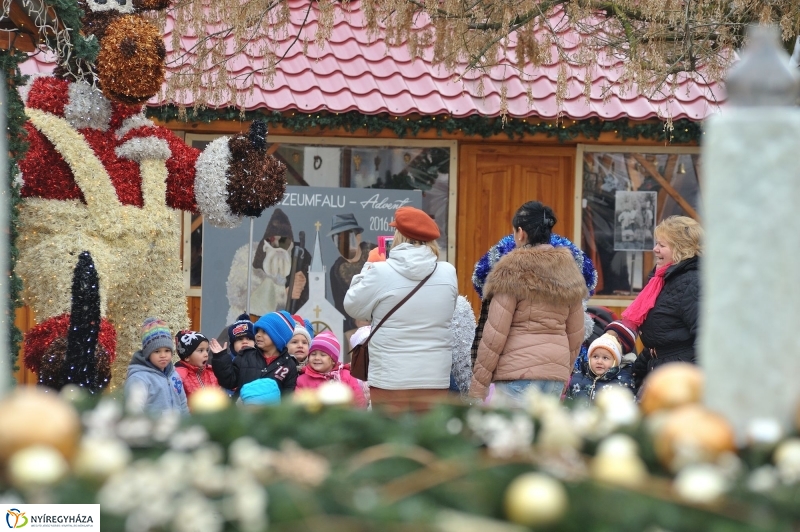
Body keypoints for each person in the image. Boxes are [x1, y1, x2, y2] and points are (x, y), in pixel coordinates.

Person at [468, 201, 588, 406]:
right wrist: (559, 369)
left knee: (512, 437)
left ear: (521, 233)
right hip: (554, 377)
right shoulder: (569, 271)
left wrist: (478, 387)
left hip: (517, 375)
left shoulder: (512, 269)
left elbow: (494, 334)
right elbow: (577, 333)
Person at [344, 206, 458, 412]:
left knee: (390, 440)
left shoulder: (380, 271)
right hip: (433, 378)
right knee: (427, 441)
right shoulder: (448, 272)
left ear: (398, 237)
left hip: (390, 377)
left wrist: (368, 267)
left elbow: (353, 306)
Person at [605, 215, 702, 391]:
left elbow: (704, 339)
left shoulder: (692, 283)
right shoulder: (664, 280)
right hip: (661, 371)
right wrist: (637, 370)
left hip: (678, 380)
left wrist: (691, 382)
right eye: (657, 243)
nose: (655, 249)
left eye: (662, 245)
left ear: (681, 249)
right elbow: (662, 338)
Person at [211, 311, 298, 398]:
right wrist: (220, 358)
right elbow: (229, 381)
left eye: (264, 331)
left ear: (278, 336)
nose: (258, 335)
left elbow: (287, 400)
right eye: (257, 331)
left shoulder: (289, 365)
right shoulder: (246, 356)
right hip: (242, 409)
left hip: (269, 411)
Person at [125, 317, 189, 415]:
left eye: (167, 350)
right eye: (157, 351)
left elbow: (183, 404)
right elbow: (133, 412)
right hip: (153, 429)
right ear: (148, 353)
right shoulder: (139, 379)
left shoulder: (174, 375)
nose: (163, 355)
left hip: (176, 429)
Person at [297, 331, 367, 408]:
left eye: (323, 355)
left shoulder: (347, 376)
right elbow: (298, 405)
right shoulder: (303, 379)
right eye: (313, 354)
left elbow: (358, 400)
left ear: (333, 360)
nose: (317, 358)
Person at [566, 333, 635, 401]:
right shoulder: (577, 378)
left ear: (615, 362)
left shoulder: (623, 382)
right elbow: (568, 405)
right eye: (595, 356)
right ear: (589, 359)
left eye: (605, 358)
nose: (599, 361)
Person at [174, 330, 220, 403]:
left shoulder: (211, 372)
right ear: (187, 356)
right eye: (201, 351)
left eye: (207, 350)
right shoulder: (179, 376)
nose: (206, 354)